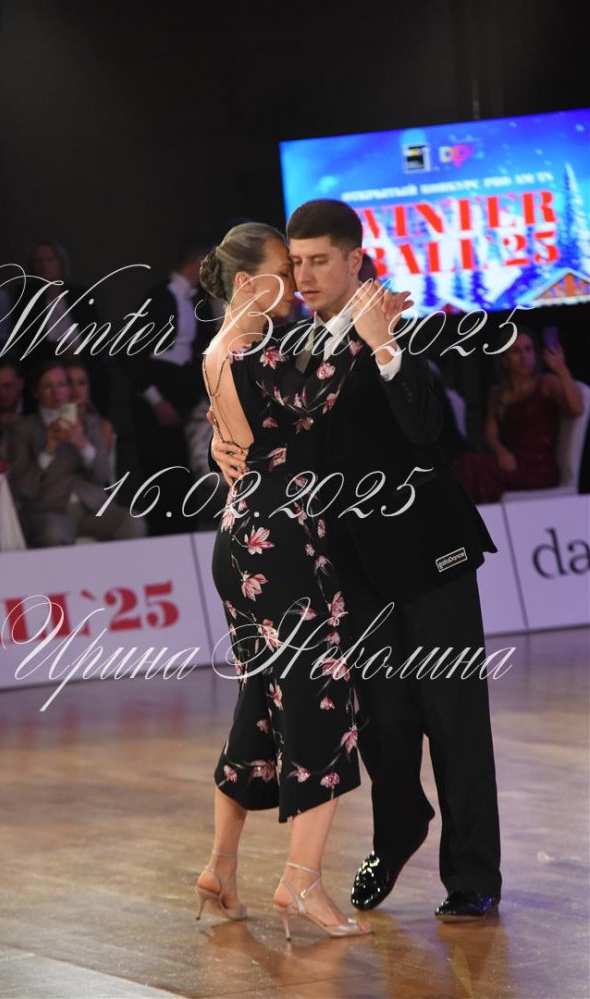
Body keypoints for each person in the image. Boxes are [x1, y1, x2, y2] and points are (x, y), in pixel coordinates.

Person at [212, 199, 502, 923]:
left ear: (354, 262)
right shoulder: (287, 345)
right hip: (346, 567)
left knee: (454, 718)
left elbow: (429, 429)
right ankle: (399, 829)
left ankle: (472, 875)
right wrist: (221, 448)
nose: (305, 276)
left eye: (318, 261)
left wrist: (385, 346)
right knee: (380, 723)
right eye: (295, 262)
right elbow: (264, 428)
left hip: (429, 557)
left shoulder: (395, 325)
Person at [195, 221, 407, 941]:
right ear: (248, 282)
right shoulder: (258, 347)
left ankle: (221, 869)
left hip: (238, 539)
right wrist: (369, 328)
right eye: (284, 271)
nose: (296, 283)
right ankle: (303, 880)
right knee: (323, 703)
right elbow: (314, 388)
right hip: (281, 546)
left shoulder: (219, 349)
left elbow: (259, 417)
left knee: (259, 700)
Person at [121, 237, 218, 535]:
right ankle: (163, 534)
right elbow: (129, 353)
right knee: (160, 470)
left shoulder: (198, 300)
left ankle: (186, 530)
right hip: (156, 396)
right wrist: (156, 400)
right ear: (197, 263)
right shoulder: (158, 297)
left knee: (184, 470)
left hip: (184, 394)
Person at [5, 359, 143, 547]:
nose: (56, 393)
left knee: (132, 521)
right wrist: (48, 450)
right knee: (53, 534)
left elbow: (103, 476)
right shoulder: (24, 430)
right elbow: (23, 489)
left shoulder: (89, 423)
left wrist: (82, 444)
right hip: (50, 510)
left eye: (61, 385)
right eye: (47, 386)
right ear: (35, 392)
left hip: (93, 509)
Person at [453, 329, 583, 502]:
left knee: (469, 465)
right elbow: (490, 433)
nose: (524, 357)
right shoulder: (497, 393)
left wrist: (561, 369)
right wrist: (501, 452)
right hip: (511, 462)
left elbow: (576, 409)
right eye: (516, 351)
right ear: (505, 360)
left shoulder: (546, 383)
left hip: (538, 468)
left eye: (528, 349)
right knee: (464, 464)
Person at [64, 359, 114, 454]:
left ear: (89, 387)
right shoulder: (51, 423)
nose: (75, 388)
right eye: (69, 382)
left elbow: (101, 462)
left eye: (81, 383)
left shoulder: (103, 426)